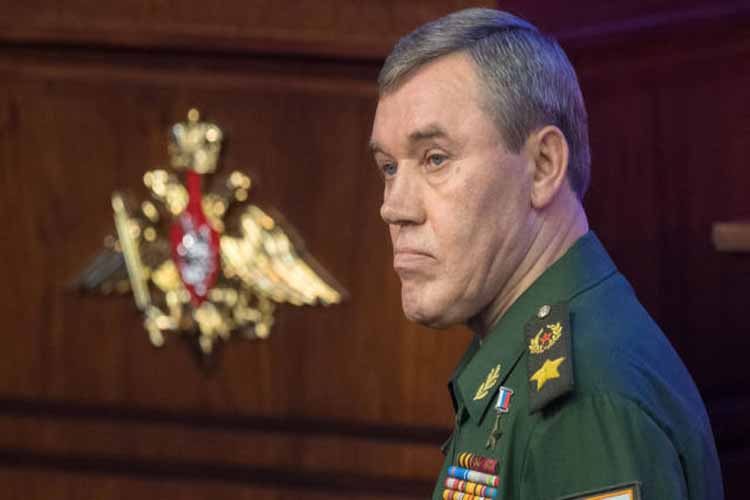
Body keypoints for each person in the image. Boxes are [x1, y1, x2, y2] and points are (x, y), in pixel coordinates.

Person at [369, 8, 723, 500]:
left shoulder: (584, 401)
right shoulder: (540, 354)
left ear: (542, 166)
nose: (393, 208)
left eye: (435, 159)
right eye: (388, 167)